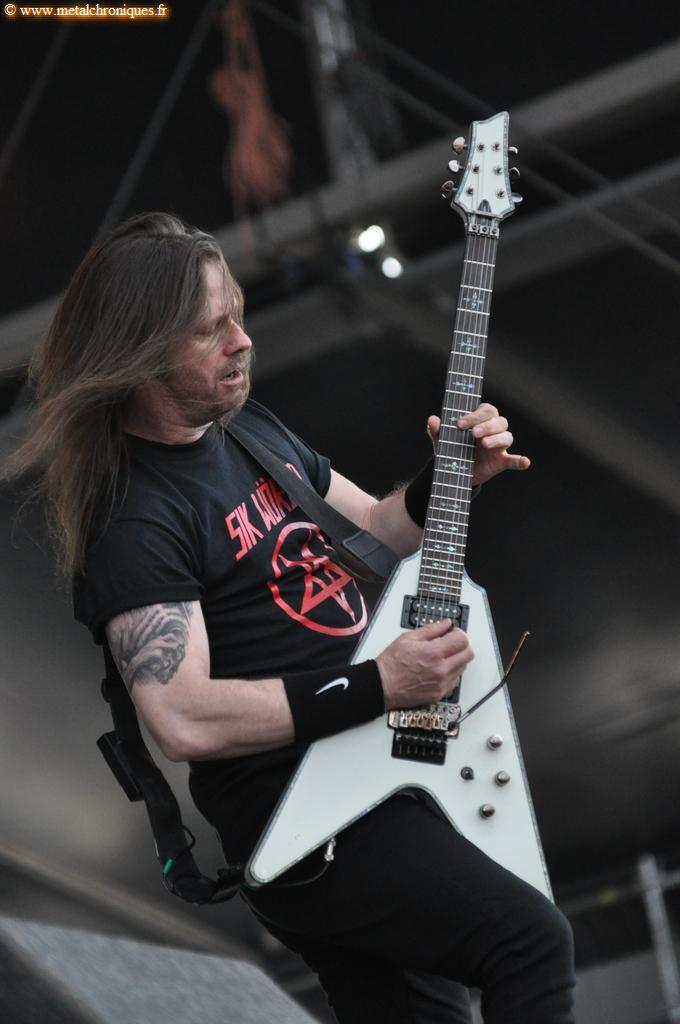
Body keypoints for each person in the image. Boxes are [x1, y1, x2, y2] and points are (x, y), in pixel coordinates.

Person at [12, 212, 575, 1023]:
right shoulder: (134, 517)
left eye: (236, 315)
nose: (242, 341)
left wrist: (454, 476)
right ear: (139, 355)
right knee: (529, 940)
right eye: (210, 330)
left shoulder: (247, 432)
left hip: (372, 772)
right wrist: (380, 683)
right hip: (307, 814)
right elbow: (181, 718)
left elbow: (374, 530)